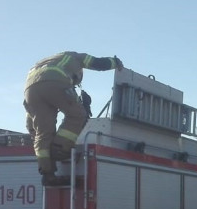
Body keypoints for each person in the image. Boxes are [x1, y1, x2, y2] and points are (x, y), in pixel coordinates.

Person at [23, 51, 123, 186]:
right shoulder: (75, 56)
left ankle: (48, 175)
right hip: (55, 82)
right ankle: (59, 149)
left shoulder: (42, 64)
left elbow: (31, 123)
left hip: (30, 91)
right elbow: (97, 63)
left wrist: (34, 131)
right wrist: (115, 62)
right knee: (77, 115)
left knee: (43, 133)